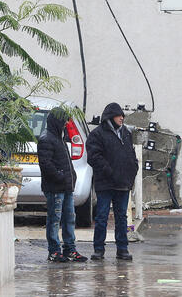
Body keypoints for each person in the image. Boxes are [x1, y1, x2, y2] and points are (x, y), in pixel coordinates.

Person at [86, 102, 139, 261]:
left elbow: (131, 154)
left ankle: (122, 249)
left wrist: (132, 170)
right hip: (105, 183)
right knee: (102, 216)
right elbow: (94, 157)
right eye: (119, 115)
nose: (122, 118)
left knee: (121, 217)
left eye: (123, 115)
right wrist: (109, 171)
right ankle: (98, 249)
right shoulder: (97, 134)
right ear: (110, 116)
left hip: (123, 183)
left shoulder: (126, 133)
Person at [37, 107, 87, 263]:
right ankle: (54, 251)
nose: (66, 123)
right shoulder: (47, 138)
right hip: (55, 188)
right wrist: (60, 177)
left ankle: (70, 249)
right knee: (54, 220)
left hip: (65, 187)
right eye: (64, 120)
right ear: (58, 121)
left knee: (69, 219)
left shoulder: (58, 137)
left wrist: (71, 177)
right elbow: (46, 164)